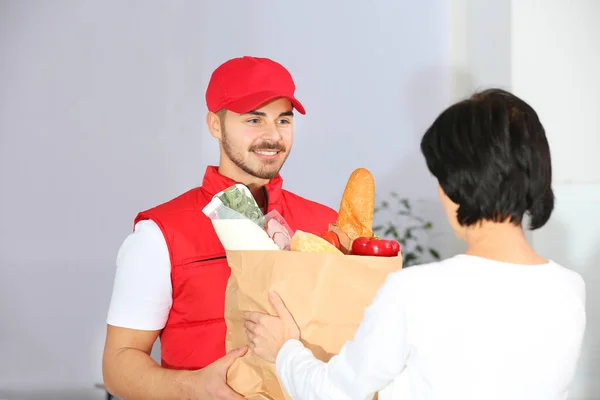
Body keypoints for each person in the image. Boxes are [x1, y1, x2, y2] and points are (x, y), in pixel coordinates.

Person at [242, 88, 587, 400]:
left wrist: (285, 347)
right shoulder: (570, 289)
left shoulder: (415, 292)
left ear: (457, 183)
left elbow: (335, 393)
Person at [102, 56, 338, 399]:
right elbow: (118, 365)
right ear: (215, 124)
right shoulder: (161, 233)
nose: (272, 136)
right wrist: (192, 387)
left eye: (283, 120)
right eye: (254, 119)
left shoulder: (325, 225)